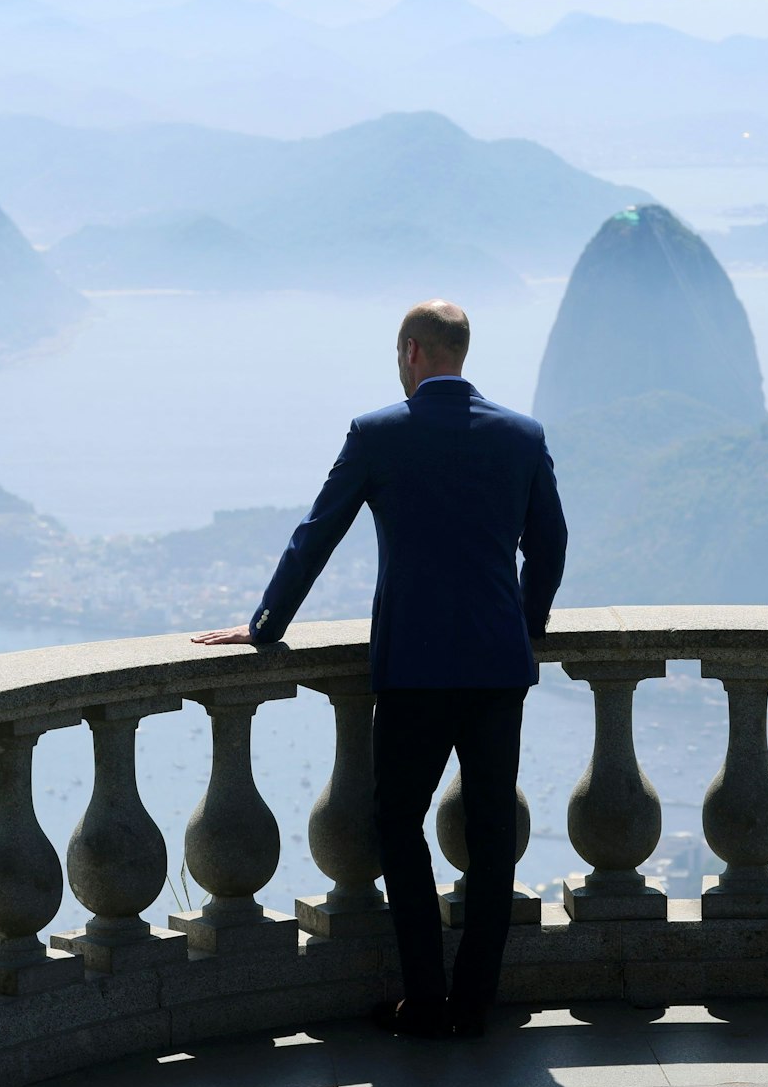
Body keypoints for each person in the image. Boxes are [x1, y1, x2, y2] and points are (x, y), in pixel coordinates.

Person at [193, 299, 567, 1039]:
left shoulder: (378, 434)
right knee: (493, 837)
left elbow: (316, 536)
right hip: (498, 668)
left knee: (398, 821)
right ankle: (475, 1004)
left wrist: (265, 626)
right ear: (461, 352)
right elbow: (549, 547)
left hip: (415, 668)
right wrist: (522, 632)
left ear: (411, 352)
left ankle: (425, 999)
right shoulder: (522, 436)